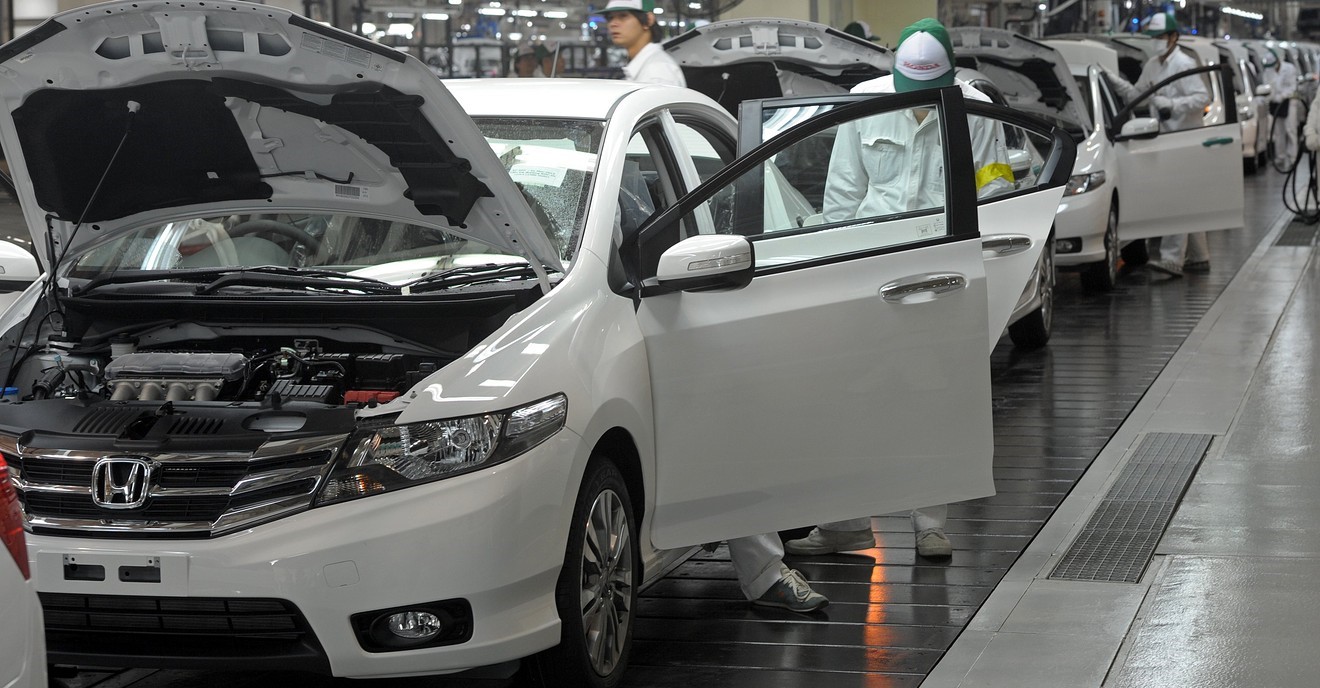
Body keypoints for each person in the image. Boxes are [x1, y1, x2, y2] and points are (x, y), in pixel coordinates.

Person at [604, 0, 828, 613]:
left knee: (730, 426)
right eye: (608, 17)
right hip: (633, 284)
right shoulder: (631, 82)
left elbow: (642, 212)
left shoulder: (656, 87)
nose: (613, 23)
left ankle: (764, 568)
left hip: (676, 280)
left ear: (648, 21)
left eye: (623, 14)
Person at [787, 18, 1013, 560]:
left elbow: (998, 189)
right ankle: (845, 526)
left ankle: (930, 524)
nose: (920, 103)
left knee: (932, 396)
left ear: (949, 77)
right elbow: (843, 193)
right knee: (852, 394)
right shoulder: (866, 103)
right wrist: (834, 268)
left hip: (942, 271)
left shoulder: (973, 109)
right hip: (871, 264)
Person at [1104, 13, 1211, 277]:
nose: (1157, 43)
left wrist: (1173, 104)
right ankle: (1200, 256)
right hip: (1165, 140)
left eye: (1161, 37)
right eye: (1154, 38)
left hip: (1185, 140)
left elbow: (1203, 97)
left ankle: (1173, 259)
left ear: (1174, 38)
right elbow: (1137, 94)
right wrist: (1114, 81)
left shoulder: (1184, 64)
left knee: (1176, 199)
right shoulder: (1152, 64)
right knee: (1186, 200)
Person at [603, 0, 685, 86]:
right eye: (610, 18)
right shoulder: (646, 66)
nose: (613, 24)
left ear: (648, 20)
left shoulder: (657, 74)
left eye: (623, 16)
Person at [1263, 48, 1300, 168]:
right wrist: (1271, 96)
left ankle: (1293, 156)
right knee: (1278, 131)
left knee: (1290, 130)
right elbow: (1268, 86)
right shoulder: (1268, 71)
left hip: (1289, 102)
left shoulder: (1289, 69)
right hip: (1275, 104)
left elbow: (1292, 87)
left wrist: (1282, 96)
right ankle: (1280, 156)